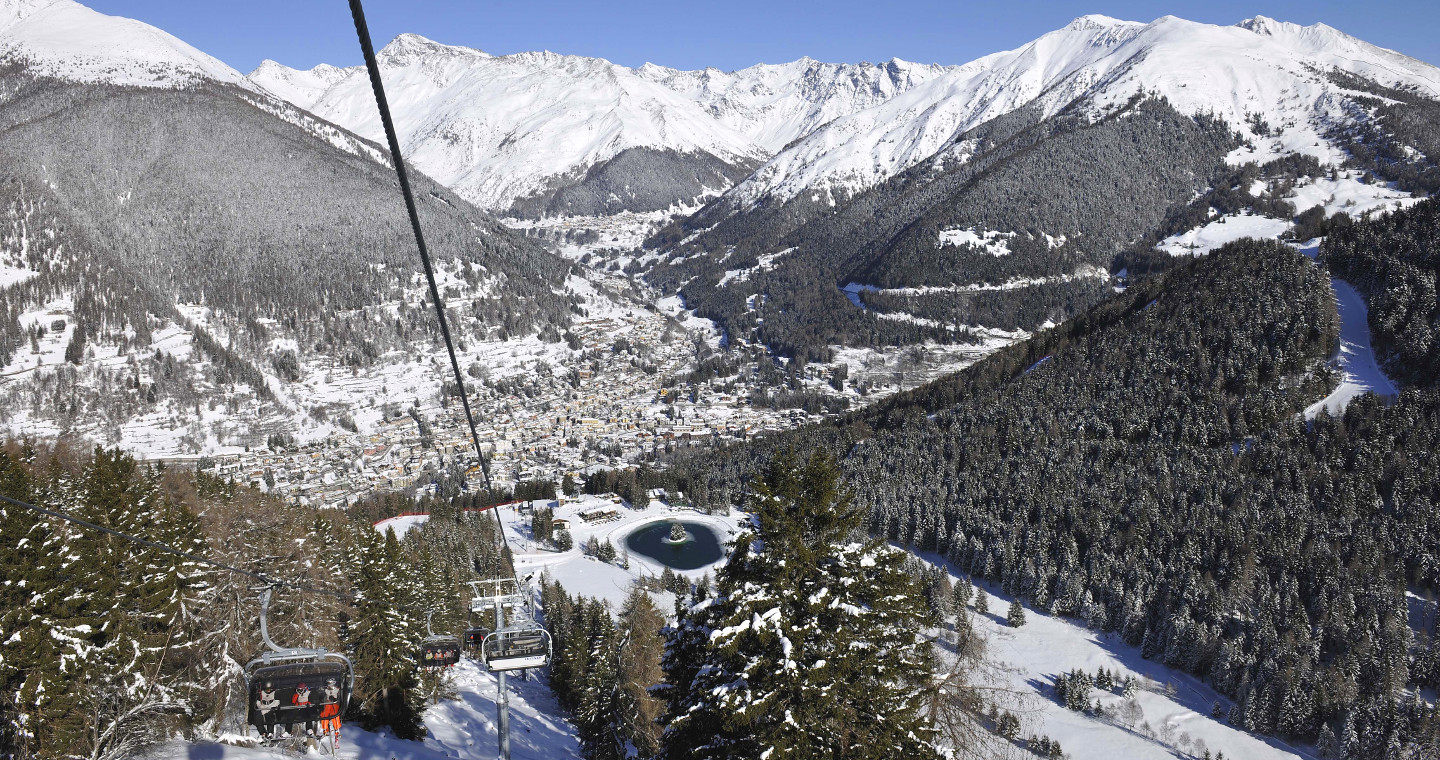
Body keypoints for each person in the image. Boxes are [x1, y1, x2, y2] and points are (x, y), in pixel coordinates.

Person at [319, 677, 343, 746]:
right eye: (328, 684)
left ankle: (337, 730)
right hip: (327, 704)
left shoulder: (337, 689)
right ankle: (325, 729)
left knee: (335, 714)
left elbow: (339, 697)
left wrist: (335, 698)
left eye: (330, 684)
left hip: (334, 705)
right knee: (324, 714)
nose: (329, 685)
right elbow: (322, 696)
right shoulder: (325, 690)